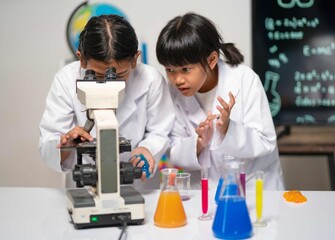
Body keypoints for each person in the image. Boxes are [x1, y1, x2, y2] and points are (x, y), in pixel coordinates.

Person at [39, 15, 175, 189]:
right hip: (85, 184)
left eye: (118, 76)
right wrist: (65, 147)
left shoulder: (150, 80)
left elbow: (161, 131)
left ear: (135, 59)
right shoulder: (65, 80)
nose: (108, 84)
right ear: (81, 59)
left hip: (135, 185)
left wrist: (147, 148)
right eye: (97, 76)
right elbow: (49, 142)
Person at [156, 12, 284, 191]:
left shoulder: (244, 80)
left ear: (211, 60)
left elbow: (265, 142)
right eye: (169, 70)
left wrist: (227, 129)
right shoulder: (172, 92)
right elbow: (174, 151)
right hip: (204, 191)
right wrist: (199, 142)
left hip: (252, 189)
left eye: (185, 69)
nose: (177, 80)